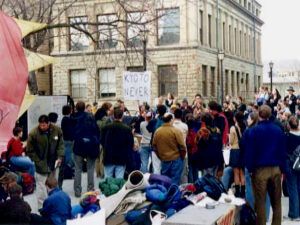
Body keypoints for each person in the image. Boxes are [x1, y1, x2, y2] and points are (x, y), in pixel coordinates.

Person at [244, 105, 286, 225]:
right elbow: (282, 152)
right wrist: (282, 169)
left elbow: (250, 152)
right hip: (276, 168)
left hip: (260, 169)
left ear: (259, 115)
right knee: (276, 202)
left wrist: (250, 168)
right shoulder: (278, 130)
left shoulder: (254, 131)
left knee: (260, 202)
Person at [27, 115, 64, 209]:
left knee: (53, 186)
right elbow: (29, 151)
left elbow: (60, 145)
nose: (42, 127)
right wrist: (37, 161)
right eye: (40, 125)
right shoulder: (33, 133)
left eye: (44, 125)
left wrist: (60, 157)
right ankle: (42, 208)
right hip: (40, 164)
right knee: (41, 187)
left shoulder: (57, 130)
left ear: (48, 123)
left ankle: (54, 204)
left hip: (53, 163)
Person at [243, 112, 271, 220]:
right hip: (266, 164)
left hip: (253, 164)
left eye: (249, 119)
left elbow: (246, 149)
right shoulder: (268, 131)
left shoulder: (249, 131)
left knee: (250, 188)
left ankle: (251, 214)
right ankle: (266, 215)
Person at [73, 101, 100, 197]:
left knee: (78, 169)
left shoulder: (74, 117)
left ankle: (77, 190)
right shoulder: (90, 116)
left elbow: (72, 132)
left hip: (79, 145)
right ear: (84, 107)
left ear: (76, 108)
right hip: (91, 145)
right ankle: (90, 189)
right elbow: (96, 131)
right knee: (90, 168)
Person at [152, 113, 186, 185]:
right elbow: (182, 146)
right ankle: (173, 194)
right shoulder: (176, 131)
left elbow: (154, 146)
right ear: (171, 120)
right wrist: (182, 157)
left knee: (165, 180)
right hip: (176, 159)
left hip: (164, 159)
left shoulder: (158, 131)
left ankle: (166, 194)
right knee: (175, 180)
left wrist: (160, 156)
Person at [100, 106, 134, 179]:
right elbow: (130, 144)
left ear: (113, 116)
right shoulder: (127, 129)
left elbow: (102, 141)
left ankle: (108, 190)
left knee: (108, 178)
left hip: (108, 156)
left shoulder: (106, 128)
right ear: (122, 116)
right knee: (119, 179)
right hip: (121, 157)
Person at [193, 113, 224, 178]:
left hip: (207, 160)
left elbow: (198, 144)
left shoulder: (203, 132)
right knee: (215, 179)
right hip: (217, 158)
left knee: (207, 180)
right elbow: (220, 144)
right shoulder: (217, 130)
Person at [285, 116, 300, 221]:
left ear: (289, 125)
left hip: (290, 165)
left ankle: (294, 213)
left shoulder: (287, 137)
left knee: (292, 188)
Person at [229, 111, 246, 198]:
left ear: (235, 118)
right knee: (242, 172)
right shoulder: (244, 127)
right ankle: (243, 191)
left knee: (236, 172)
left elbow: (231, 142)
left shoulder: (233, 128)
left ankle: (237, 191)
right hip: (242, 151)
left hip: (235, 150)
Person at [60, 105, 75, 188]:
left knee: (68, 155)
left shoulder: (64, 119)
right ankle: (68, 170)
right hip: (69, 140)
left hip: (66, 139)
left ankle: (68, 170)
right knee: (69, 156)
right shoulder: (67, 120)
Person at [173, 108, 188, 184]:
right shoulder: (185, 126)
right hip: (183, 152)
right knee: (183, 173)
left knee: (174, 173)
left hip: (173, 153)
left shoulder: (171, 126)